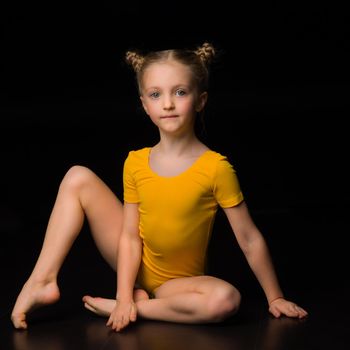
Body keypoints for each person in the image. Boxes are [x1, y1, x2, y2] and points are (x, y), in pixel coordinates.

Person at [11, 42, 308, 332]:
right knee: (77, 176)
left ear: (201, 100)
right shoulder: (136, 162)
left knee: (225, 300)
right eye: (156, 94)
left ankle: (140, 307)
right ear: (144, 104)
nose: (167, 103)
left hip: (177, 285)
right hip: (134, 261)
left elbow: (249, 238)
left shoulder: (215, 167)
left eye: (180, 92)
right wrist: (125, 294)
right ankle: (42, 280)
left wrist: (275, 296)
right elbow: (129, 237)